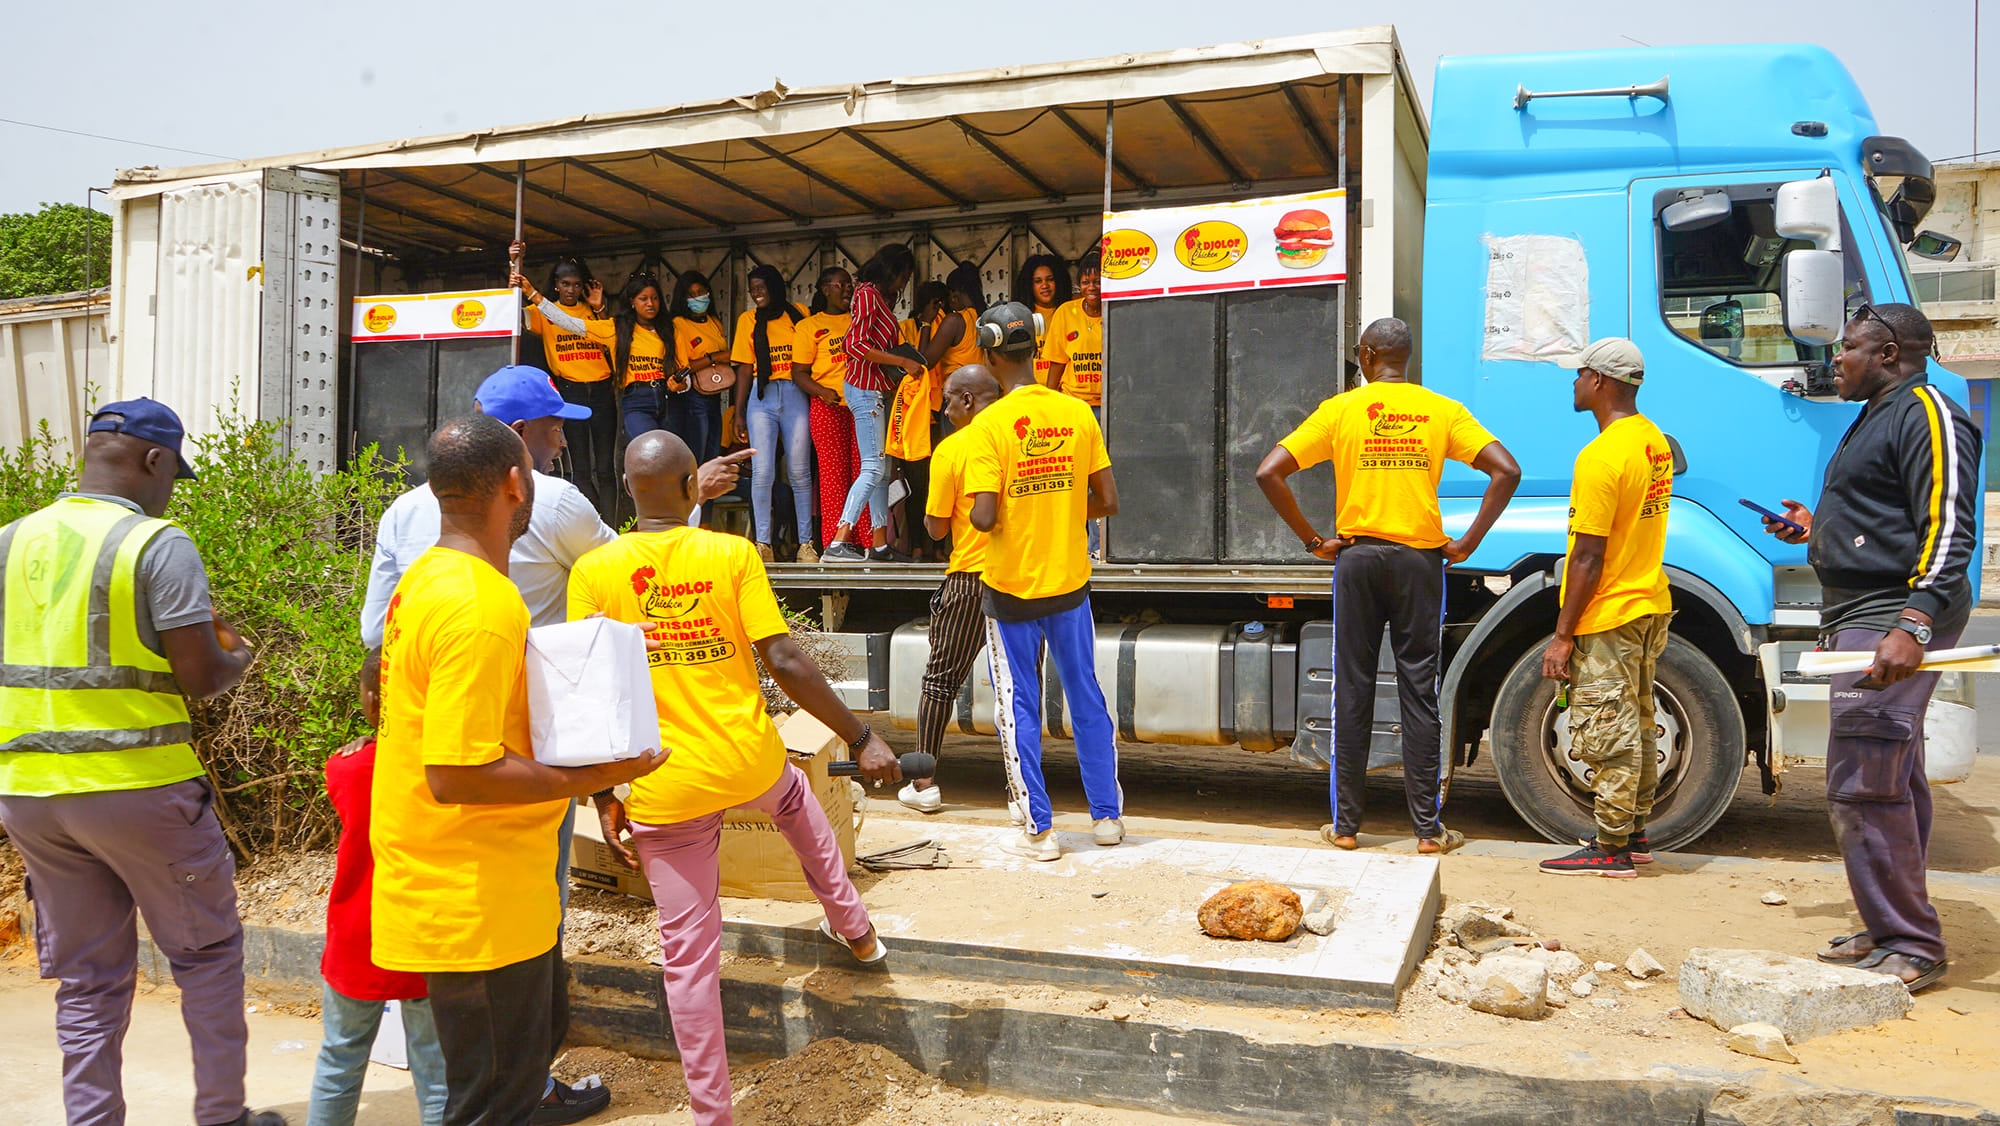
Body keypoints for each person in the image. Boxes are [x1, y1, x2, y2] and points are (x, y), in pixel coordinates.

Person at [359, 367, 743, 1124]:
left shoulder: (427, 578)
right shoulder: (480, 605)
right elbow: (457, 773)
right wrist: (613, 772)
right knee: (492, 1102)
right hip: (478, 898)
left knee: (495, 1086)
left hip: (463, 882)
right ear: (514, 481)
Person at [568, 430, 901, 1126]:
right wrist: (859, 735)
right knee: (798, 805)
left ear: (630, 490)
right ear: (695, 486)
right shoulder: (730, 553)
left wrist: (603, 794)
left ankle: (712, 1115)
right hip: (746, 760)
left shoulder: (596, 571)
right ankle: (857, 930)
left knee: (688, 957)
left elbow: (588, 692)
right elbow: (783, 658)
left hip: (662, 785)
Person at [0, 398, 274, 1126]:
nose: (171, 488)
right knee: (206, 955)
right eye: (172, 473)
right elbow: (199, 674)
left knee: (88, 980)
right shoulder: (156, 543)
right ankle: (223, 1116)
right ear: (153, 460)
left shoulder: (11, 540)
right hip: (139, 788)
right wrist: (238, 654)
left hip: (28, 794)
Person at [1759, 303, 1979, 992]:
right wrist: (1814, 527)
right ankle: (1891, 926)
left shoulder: (1928, 412)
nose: (1837, 360)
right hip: (1865, 609)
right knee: (1892, 772)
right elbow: (1882, 516)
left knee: (1863, 776)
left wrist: (1914, 623)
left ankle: (1912, 942)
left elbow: (1948, 527)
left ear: (1888, 353)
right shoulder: (1879, 412)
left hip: (1892, 613)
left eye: (1848, 348)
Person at [1255, 318, 1520, 856]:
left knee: (1351, 689)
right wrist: (1466, 543)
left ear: (1367, 355)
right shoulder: (1441, 410)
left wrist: (1312, 540)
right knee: (1418, 691)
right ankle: (1428, 832)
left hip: (1356, 560)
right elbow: (1506, 470)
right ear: (1406, 357)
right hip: (1419, 564)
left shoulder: (1341, 411)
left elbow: (1268, 472)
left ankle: (1347, 827)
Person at [962, 303, 1124, 860]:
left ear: (986, 354)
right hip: (1070, 585)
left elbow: (982, 518)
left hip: (1010, 593)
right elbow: (1108, 500)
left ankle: (1040, 831)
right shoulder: (1078, 413)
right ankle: (1107, 819)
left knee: (1019, 707)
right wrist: (1058, 505)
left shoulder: (987, 427)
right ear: (1036, 347)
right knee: (1086, 697)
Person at [1534, 339, 1675, 878]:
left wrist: (1563, 635)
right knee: (1636, 724)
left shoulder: (1601, 456)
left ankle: (1611, 848)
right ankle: (1632, 832)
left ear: (1600, 381)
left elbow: (1589, 555)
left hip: (1610, 609)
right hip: (1646, 600)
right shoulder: (1651, 441)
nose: (1573, 384)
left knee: (1605, 730)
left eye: (1579, 374)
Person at [308, 651, 448, 1126]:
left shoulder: (345, 767)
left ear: (369, 701)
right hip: (422, 934)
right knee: (436, 1070)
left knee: (339, 1059)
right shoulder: (443, 771)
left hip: (356, 934)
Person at [899, 365, 1004, 812]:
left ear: (966, 400)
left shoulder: (954, 448)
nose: (942, 408)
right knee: (1017, 688)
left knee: (940, 681)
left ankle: (923, 785)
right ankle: (1024, 791)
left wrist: (926, 518)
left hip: (969, 578)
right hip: (1023, 578)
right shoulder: (1017, 440)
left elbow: (938, 529)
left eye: (946, 398)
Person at [822, 244, 928, 561]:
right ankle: (840, 540)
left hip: (873, 390)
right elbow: (852, 344)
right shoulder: (867, 294)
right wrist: (902, 361)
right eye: (904, 277)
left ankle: (879, 544)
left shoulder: (876, 299)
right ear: (892, 271)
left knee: (880, 472)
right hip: (863, 389)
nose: (904, 284)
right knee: (872, 467)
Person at [511, 246, 617, 517]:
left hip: (603, 391)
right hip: (572, 392)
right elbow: (512, 310)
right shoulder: (543, 312)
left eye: (576, 284)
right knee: (581, 466)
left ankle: (613, 526)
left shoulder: (595, 311)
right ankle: (592, 523)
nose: (571, 289)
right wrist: (513, 266)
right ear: (556, 286)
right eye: (565, 284)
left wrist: (600, 308)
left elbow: (613, 342)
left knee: (606, 467)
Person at [731, 264, 814, 562]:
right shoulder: (747, 319)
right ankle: (763, 544)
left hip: (794, 392)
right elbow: (742, 367)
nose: (756, 294)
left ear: (775, 287)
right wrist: (739, 412)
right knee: (763, 471)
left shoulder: (798, 313)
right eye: (752, 289)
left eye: (761, 288)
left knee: (800, 471)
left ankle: (806, 544)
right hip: (761, 394)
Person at [1039, 250, 1108, 554]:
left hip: (1108, 409)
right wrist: (1048, 406)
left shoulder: (1116, 311)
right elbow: (1056, 362)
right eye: (1086, 281)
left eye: (1098, 281)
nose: (1092, 286)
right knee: (1075, 477)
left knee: (1102, 479)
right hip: (1073, 408)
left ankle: (1100, 547)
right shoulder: (1066, 313)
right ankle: (1077, 544)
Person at [791, 267, 858, 558]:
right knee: (832, 477)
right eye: (839, 285)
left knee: (863, 474)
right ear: (824, 289)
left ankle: (863, 542)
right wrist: (822, 391)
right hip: (827, 407)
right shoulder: (808, 327)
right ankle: (834, 543)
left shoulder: (858, 320)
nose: (846, 289)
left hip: (861, 407)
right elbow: (799, 373)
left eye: (849, 284)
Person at [669, 271, 732, 468]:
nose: (698, 297)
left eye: (701, 292)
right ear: (683, 298)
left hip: (714, 394)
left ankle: (707, 499)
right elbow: (683, 367)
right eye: (691, 294)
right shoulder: (679, 324)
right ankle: (695, 498)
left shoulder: (714, 321)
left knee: (712, 454)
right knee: (697, 454)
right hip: (693, 396)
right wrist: (715, 357)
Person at [613, 272, 678, 445]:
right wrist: (534, 296)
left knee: (668, 454)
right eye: (644, 298)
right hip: (637, 401)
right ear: (632, 301)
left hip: (666, 400)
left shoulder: (668, 329)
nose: (650, 303)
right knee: (651, 448)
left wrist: (680, 383)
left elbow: (680, 369)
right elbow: (573, 324)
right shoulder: (617, 327)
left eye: (655, 298)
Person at [1012, 252, 1071, 386]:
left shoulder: (1068, 312)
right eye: (1038, 281)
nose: (1045, 285)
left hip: (1062, 393)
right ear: (1029, 285)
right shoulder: (1019, 316)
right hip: (1029, 392)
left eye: (1050, 279)